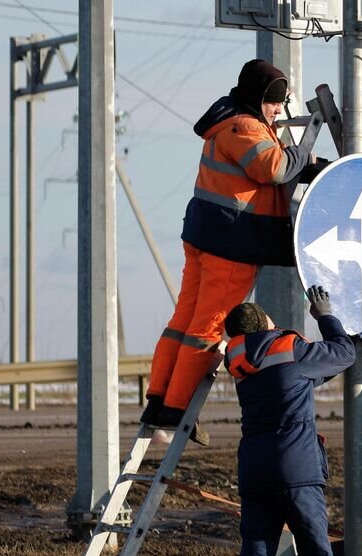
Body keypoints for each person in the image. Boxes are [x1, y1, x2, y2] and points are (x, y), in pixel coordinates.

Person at [141, 59, 319, 444]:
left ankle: (158, 400)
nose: (279, 110)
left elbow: (268, 165)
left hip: (208, 238)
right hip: (231, 245)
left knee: (185, 321)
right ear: (261, 98)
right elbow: (271, 168)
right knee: (206, 329)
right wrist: (302, 157)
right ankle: (177, 409)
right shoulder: (245, 126)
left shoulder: (229, 122)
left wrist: (308, 166)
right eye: (275, 102)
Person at [222, 286, 354, 556]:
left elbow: (292, 381)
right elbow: (343, 353)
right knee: (316, 553)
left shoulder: (239, 360)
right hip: (296, 469)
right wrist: (326, 315)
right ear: (266, 322)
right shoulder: (291, 349)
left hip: (255, 470)